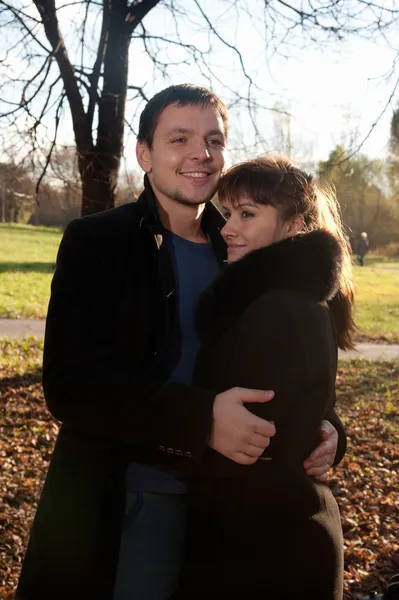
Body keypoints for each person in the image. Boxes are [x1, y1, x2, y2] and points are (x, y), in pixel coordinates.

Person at [16, 86, 346, 600]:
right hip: (136, 496)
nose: (201, 153)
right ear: (144, 154)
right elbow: (70, 385)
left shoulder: (240, 241)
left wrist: (326, 430)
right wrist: (202, 419)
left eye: (214, 140)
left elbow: (294, 354)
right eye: (180, 138)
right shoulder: (99, 241)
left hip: (230, 512)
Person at [175, 155, 355, 600]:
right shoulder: (277, 300)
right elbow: (308, 410)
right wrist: (331, 430)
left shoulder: (281, 309)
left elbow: (248, 443)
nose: (227, 228)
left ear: (294, 227)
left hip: (266, 550)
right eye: (228, 213)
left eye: (248, 214)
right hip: (266, 534)